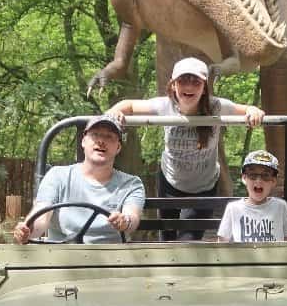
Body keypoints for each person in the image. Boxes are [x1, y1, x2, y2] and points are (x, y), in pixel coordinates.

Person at [107, 57, 265, 241]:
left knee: (189, 241)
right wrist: (115, 110)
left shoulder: (216, 106)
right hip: (170, 181)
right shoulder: (165, 105)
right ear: (173, 85)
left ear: (204, 87)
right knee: (167, 239)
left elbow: (247, 109)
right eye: (183, 80)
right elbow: (130, 105)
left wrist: (253, 111)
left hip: (203, 185)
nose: (189, 87)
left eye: (195, 81)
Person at [12, 114, 145, 244]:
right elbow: (42, 216)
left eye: (109, 137)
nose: (101, 141)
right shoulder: (57, 176)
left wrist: (124, 222)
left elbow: (132, 218)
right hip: (62, 259)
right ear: (84, 141)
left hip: (112, 259)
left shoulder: (131, 184)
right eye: (95, 135)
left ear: (118, 147)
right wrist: (26, 231)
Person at [217, 150, 287, 242]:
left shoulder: (281, 207)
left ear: (274, 181)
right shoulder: (233, 208)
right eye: (252, 175)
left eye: (266, 176)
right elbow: (222, 243)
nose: (258, 181)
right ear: (244, 178)